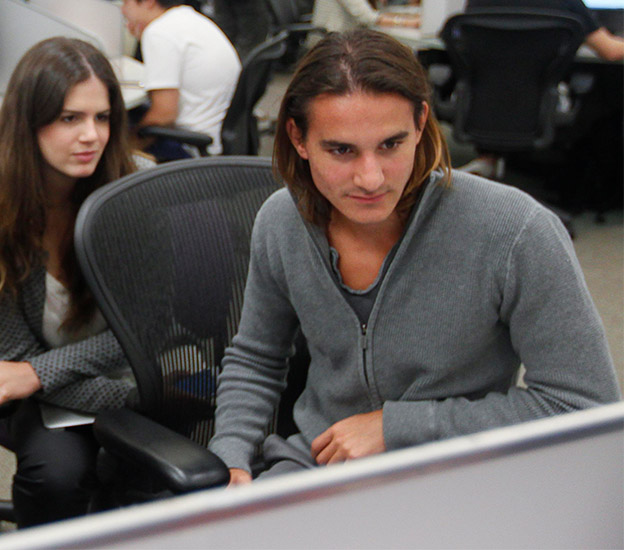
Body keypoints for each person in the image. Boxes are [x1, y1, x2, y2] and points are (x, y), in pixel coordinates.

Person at [208, 29, 620, 485]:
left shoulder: (514, 230)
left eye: (391, 145)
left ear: (421, 124)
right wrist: (231, 455)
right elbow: (257, 357)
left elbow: (582, 404)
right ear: (298, 139)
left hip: (459, 471)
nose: (370, 178)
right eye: (341, 150)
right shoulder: (281, 221)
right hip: (319, 467)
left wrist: (396, 427)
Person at [0, 37, 137, 527]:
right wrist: (132, 393)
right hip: (55, 397)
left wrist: (39, 377)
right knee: (56, 473)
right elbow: (9, 359)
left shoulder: (134, 195)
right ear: (28, 122)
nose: (91, 136)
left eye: (102, 117)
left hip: (112, 377)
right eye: (69, 118)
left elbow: (143, 336)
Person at [457, 0, 624, 179]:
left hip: (486, 109)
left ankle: (490, 157)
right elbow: (611, 51)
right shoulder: (568, 3)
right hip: (543, 109)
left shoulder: (477, 2)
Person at [120, 0, 241, 159]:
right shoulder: (185, 16)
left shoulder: (159, 32)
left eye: (126, 3)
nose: (122, 10)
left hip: (188, 146)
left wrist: (126, 148)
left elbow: (164, 115)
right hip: (212, 132)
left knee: (115, 126)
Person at [309, 0, 420, 34]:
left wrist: (408, 17)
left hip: (345, 37)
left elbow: (378, 11)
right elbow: (367, 17)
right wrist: (410, 23)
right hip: (332, 41)